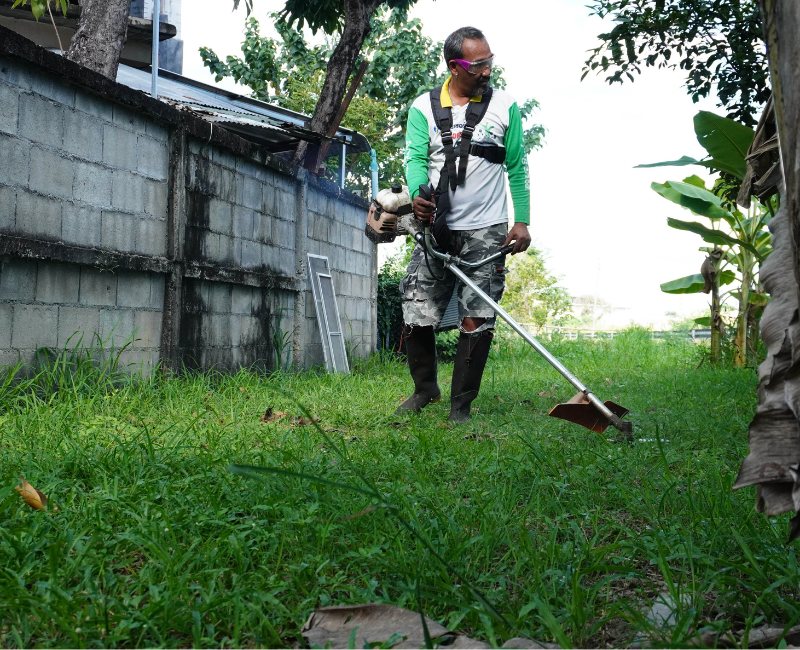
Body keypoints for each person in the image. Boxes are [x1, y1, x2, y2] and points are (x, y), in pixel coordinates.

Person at [397, 26, 531, 423]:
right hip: (436, 228)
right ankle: (425, 389)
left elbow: (518, 166)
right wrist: (418, 193)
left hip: (487, 229)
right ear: (455, 66)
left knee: (478, 316)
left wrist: (522, 221)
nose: (487, 70)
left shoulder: (505, 105)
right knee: (416, 309)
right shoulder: (423, 108)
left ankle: (461, 405)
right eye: (478, 65)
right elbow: (415, 159)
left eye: (489, 61)